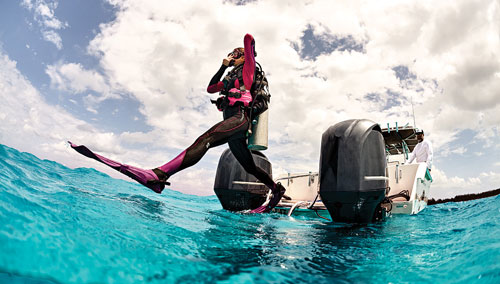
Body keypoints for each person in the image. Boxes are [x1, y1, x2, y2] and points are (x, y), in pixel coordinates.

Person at [69, 34, 285, 214]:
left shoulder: (249, 69)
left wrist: (246, 52)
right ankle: (276, 189)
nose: (232, 56)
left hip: (239, 119)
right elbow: (211, 88)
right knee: (248, 165)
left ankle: (160, 175)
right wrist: (223, 65)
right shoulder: (229, 77)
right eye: (233, 54)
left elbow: (249, 40)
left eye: (235, 55)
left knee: (206, 140)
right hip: (232, 123)